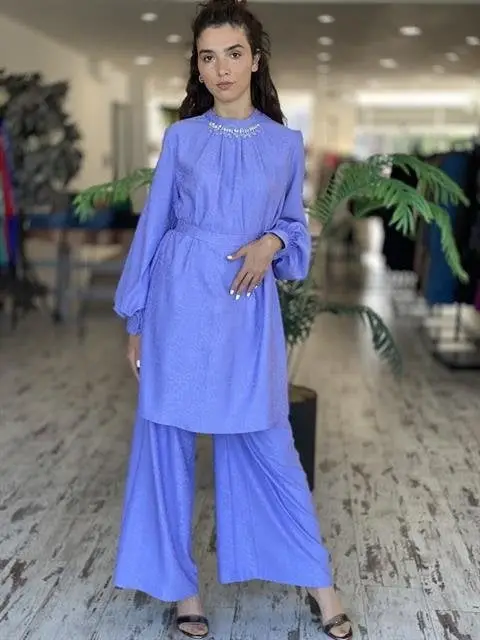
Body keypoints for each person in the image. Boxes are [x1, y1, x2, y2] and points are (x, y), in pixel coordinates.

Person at [112, 0, 353, 638]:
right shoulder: (183, 138)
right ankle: (183, 593)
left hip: (246, 310)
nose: (221, 68)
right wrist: (136, 319)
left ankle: (321, 584)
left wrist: (270, 242)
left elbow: (294, 230)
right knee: (166, 444)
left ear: (255, 59)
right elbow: (154, 226)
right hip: (177, 303)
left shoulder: (285, 144)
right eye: (208, 57)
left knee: (270, 440)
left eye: (234, 54)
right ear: (197, 67)